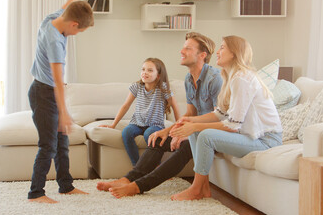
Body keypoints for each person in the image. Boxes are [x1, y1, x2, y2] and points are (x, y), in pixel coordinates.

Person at [96, 32, 223, 198]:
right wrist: (170, 131)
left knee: (186, 145)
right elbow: (191, 113)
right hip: (196, 130)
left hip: (212, 134)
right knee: (157, 138)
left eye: (187, 48)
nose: (181, 51)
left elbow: (220, 117)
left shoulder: (215, 79)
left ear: (202, 55)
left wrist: (187, 131)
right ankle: (128, 179)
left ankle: (137, 186)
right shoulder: (189, 79)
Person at [169, 35, 283, 201]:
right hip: (250, 136)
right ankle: (203, 187)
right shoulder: (230, 77)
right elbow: (220, 114)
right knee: (195, 132)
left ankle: (196, 188)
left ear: (234, 53)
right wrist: (191, 121)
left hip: (266, 140)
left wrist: (196, 127)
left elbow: (233, 126)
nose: (217, 52)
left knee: (205, 136)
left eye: (222, 47)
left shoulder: (242, 79)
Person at [27, 0, 94, 204]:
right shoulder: (54, 41)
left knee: (61, 143)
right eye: (79, 31)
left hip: (47, 92)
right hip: (44, 94)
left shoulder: (54, 18)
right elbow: (57, 81)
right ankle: (35, 193)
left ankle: (66, 186)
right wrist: (64, 112)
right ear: (74, 24)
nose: (76, 34)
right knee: (48, 145)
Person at [99, 58, 181, 166]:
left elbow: (175, 106)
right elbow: (125, 106)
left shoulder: (163, 88)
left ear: (158, 75)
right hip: (137, 123)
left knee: (149, 134)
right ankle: (137, 166)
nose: (145, 72)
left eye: (150, 70)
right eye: (143, 69)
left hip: (155, 125)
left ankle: (156, 165)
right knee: (126, 133)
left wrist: (178, 126)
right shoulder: (136, 87)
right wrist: (113, 124)